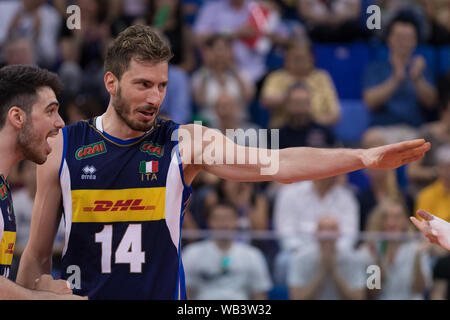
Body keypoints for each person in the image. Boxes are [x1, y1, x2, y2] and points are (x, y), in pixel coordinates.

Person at [17, 25, 431, 300]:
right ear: (111, 82)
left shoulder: (184, 142)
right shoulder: (63, 146)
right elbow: (35, 257)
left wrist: (360, 156)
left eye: (161, 85)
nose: (154, 98)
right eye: (142, 85)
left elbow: (278, 164)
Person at [0, 64, 85, 299]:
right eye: (51, 111)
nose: (60, 123)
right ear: (17, 117)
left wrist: (34, 291)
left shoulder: (3, 187)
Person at [363, 13, 438, 142]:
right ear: (389, 39)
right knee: (370, 138)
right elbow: (370, 101)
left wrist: (417, 79)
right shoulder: (376, 68)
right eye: (399, 37)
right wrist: (395, 79)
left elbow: (431, 102)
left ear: (415, 42)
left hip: (416, 129)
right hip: (384, 129)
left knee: (431, 136)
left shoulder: (422, 69)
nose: (403, 42)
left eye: (408, 38)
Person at [183, 201, 272, 300]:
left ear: (237, 221)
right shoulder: (192, 253)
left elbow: (259, 294)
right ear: (209, 222)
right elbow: (186, 292)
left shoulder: (253, 255)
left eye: (228, 219)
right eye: (218, 219)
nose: (223, 224)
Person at [359, 199, 432, 300]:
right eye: (385, 217)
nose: (391, 222)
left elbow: (420, 289)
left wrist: (417, 258)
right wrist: (377, 261)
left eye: (397, 217)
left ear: (404, 220)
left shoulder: (416, 247)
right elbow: (373, 293)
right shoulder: (372, 248)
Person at [288, 216, 366, 300]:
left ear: (339, 233)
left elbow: (358, 297)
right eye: (322, 229)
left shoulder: (353, 259)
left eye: (331, 229)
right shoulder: (300, 258)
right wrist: (322, 272)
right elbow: (296, 297)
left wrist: (334, 272)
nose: (327, 235)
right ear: (315, 233)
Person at [414, 144, 450, 222]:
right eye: (446, 167)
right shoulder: (426, 195)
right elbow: (423, 223)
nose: (449, 172)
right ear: (439, 169)